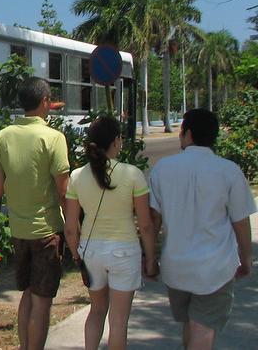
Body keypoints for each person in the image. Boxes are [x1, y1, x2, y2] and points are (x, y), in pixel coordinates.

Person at [149, 108, 255, 349]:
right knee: (203, 327)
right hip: (215, 268)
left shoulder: (162, 169)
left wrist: (150, 258)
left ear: (187, 134)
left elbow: (152, 221)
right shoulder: (229, 170)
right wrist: (246, 258)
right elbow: (240, 221)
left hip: (175, 266)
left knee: (190, 323)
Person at [64, 115, 157, 350]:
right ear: (116, 141)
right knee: (118, 321)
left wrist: (77, 257)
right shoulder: (132, 174)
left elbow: (70, 227)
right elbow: (145, 225)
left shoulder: (76, 177)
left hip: (90, 252)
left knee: (96, 312)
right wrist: (151, 259)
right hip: (124, 252)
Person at [0, 76, 70, 350]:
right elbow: (64, 193)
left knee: (27, 293)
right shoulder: (53, 138)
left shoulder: (3, 136)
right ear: (45, 102)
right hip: (47, 232)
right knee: (42, 300)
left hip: (18, 231)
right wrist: (72, 230)